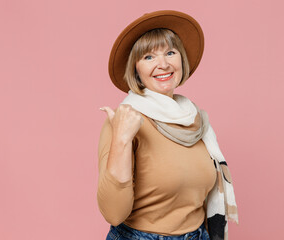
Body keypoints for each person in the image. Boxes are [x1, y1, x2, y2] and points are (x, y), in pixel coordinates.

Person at [97, 10, 238, 240]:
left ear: (181, 59)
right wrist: (122, 139)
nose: (163, 64)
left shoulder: (196, 120)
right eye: (149, 57)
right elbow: (113, 213)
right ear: (136, 69)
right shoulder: (125, 120)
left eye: (170, 53)